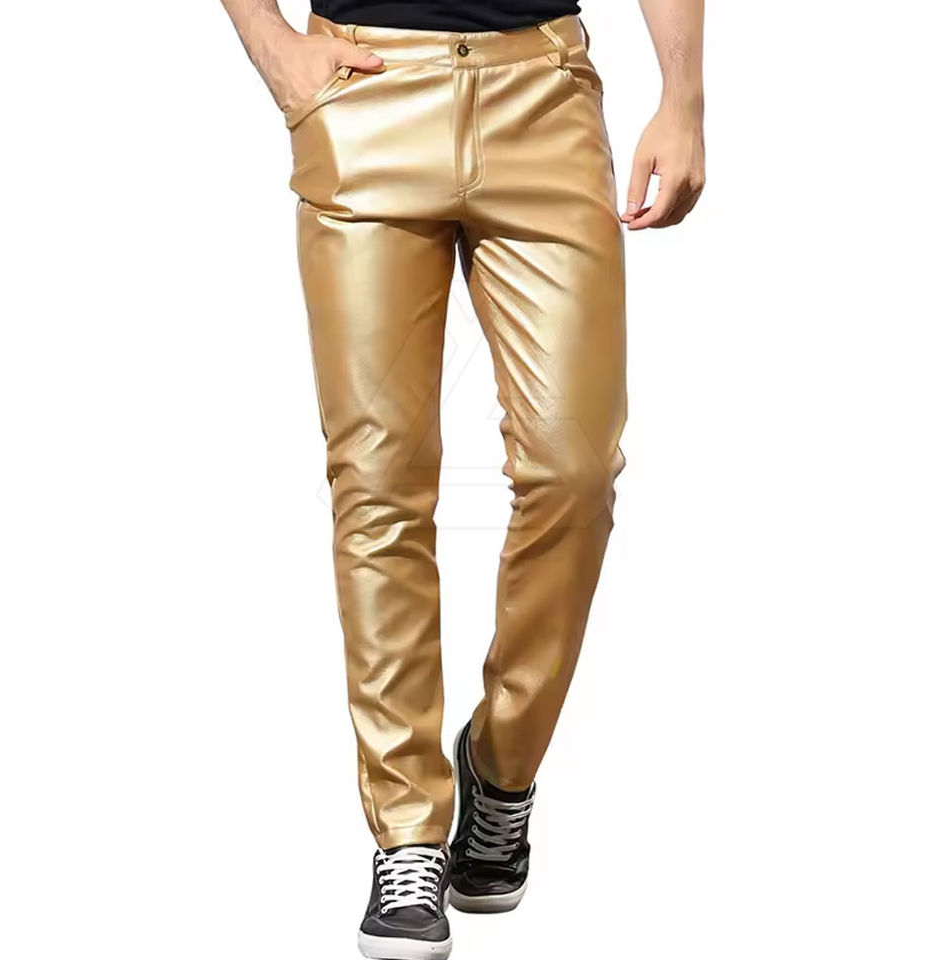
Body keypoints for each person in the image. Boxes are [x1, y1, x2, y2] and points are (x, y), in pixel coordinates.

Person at [220, 1, 704, 956]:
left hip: (542, 93)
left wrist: (682, 94)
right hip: (366, 91)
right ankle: (407, 833)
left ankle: (501, 763)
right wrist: (270, 43)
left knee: (574, 469)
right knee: (377, 480)